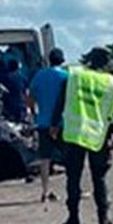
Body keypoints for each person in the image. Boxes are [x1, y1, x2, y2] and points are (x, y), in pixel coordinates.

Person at [51, 47, 113, 224]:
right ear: (106, 63)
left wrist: (54, 124)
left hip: (75, 133)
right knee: (99, 178)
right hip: (99, 135)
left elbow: (60, 102)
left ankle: (73, 218)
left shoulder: (75, 77)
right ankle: (103, 217)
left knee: (73, 177)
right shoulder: (112, 84)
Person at [27, 47, 69, 202]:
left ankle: (45, 190)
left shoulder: (39, 75)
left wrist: (34, 112)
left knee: (45, 157)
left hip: (43, 122)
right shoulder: (66, 76)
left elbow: (30, 96)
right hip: (63, 122)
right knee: (69, 157)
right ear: (62, 60)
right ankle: (73, 188)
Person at [0, 57, 28, 122]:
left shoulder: (5, 78)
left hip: (9, 107)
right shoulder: (22, 77)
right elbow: (26, 92)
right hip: (21, 106)